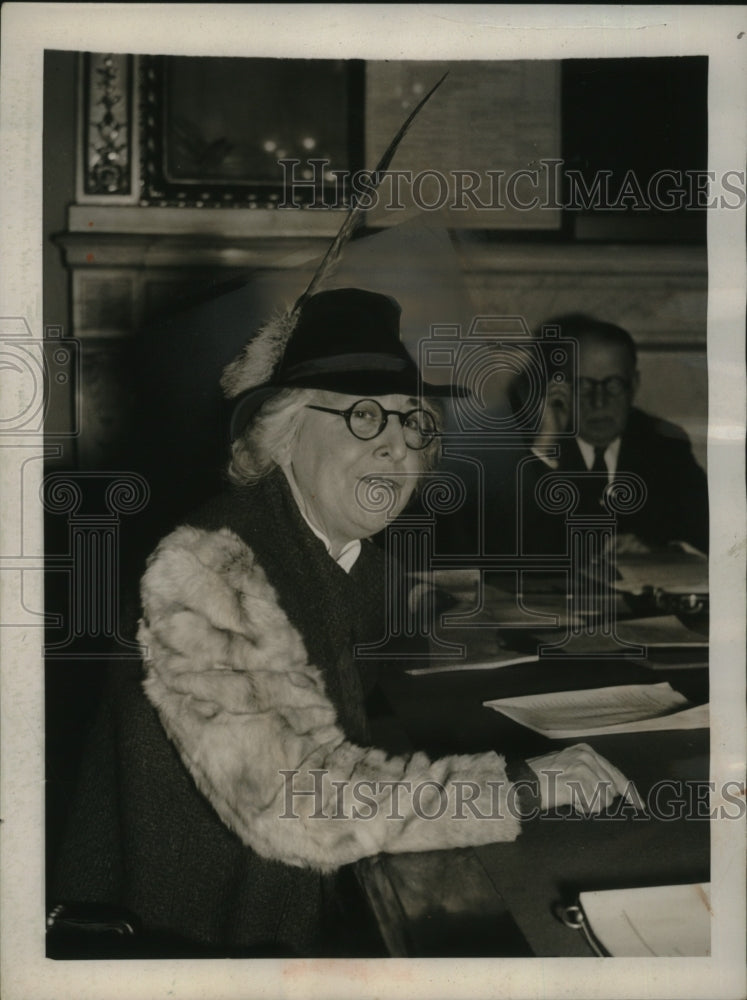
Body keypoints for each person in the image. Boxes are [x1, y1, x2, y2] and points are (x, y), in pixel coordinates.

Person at [51, 288, 632, 958]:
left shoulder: (344, 556)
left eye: (412, 422)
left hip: (278, 919)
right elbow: (298, 808)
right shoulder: (208, 564)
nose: (396, 449)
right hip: (182, 948)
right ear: (284, 430)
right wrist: (527, 784)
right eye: (363, 418)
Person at [522, 313, 709, 556]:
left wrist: (658, 554)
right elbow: (508, 546)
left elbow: (711, 539)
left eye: (613, 385)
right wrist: (544, 448)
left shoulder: (665, 447)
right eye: (583, 385)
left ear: (634, 385)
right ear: (560, 388)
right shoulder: (531, 446)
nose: (599, 402)